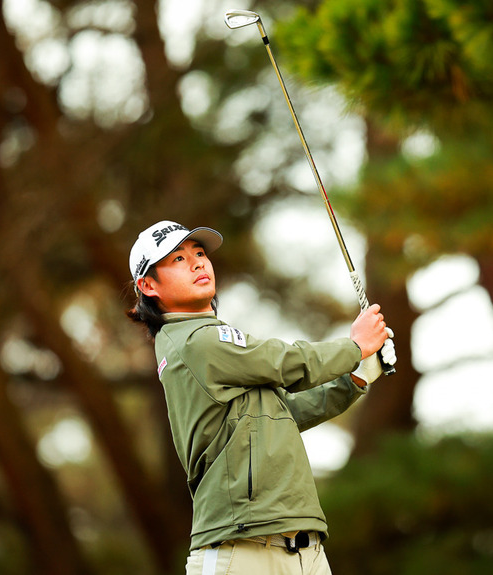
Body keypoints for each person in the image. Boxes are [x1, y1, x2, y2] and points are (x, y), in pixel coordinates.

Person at [126, 220, 395, 575]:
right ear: (148, 285)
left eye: (200, 253)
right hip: (241, 550)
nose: (197, 263)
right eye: (177, 259)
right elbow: (288, 364)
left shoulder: (211, 347)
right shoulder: (196, 342)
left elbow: (288, 412)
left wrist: (356, 378)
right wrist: (356, 346)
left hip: (304, 549)